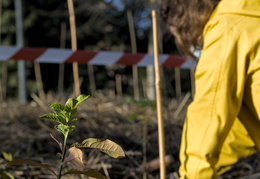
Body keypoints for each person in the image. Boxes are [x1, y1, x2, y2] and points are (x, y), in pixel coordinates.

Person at [160, 0, 260, 178]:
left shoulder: (227, 28)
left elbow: (209, 113)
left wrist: (194, 174)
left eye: (180, 35)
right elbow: (243, 130)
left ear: (184, 20)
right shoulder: (249, 17)